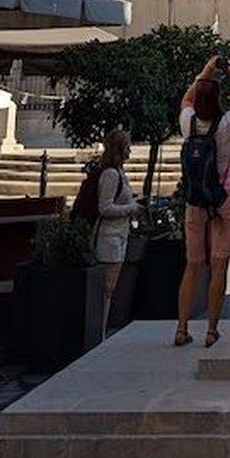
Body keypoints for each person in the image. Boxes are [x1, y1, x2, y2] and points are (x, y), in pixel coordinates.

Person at [176, 52, 230, 348]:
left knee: (192, 265)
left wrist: (205, 72)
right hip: (225, 196)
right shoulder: (227, 123)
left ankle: (182, 328)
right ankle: (211, 330)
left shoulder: (188, 122)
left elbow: (186, 100)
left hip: (197, 198)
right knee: (219, 266)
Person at [92, 127, 138, 338]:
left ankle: (101, 331)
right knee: (106, 288)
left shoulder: (119, 172)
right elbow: (105, 207)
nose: (130, 151)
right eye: (127, 147)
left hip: (119, 235)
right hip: (109, 237)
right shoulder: (111, 174)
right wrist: (131, 209)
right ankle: (99, 333)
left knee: (110, 288)